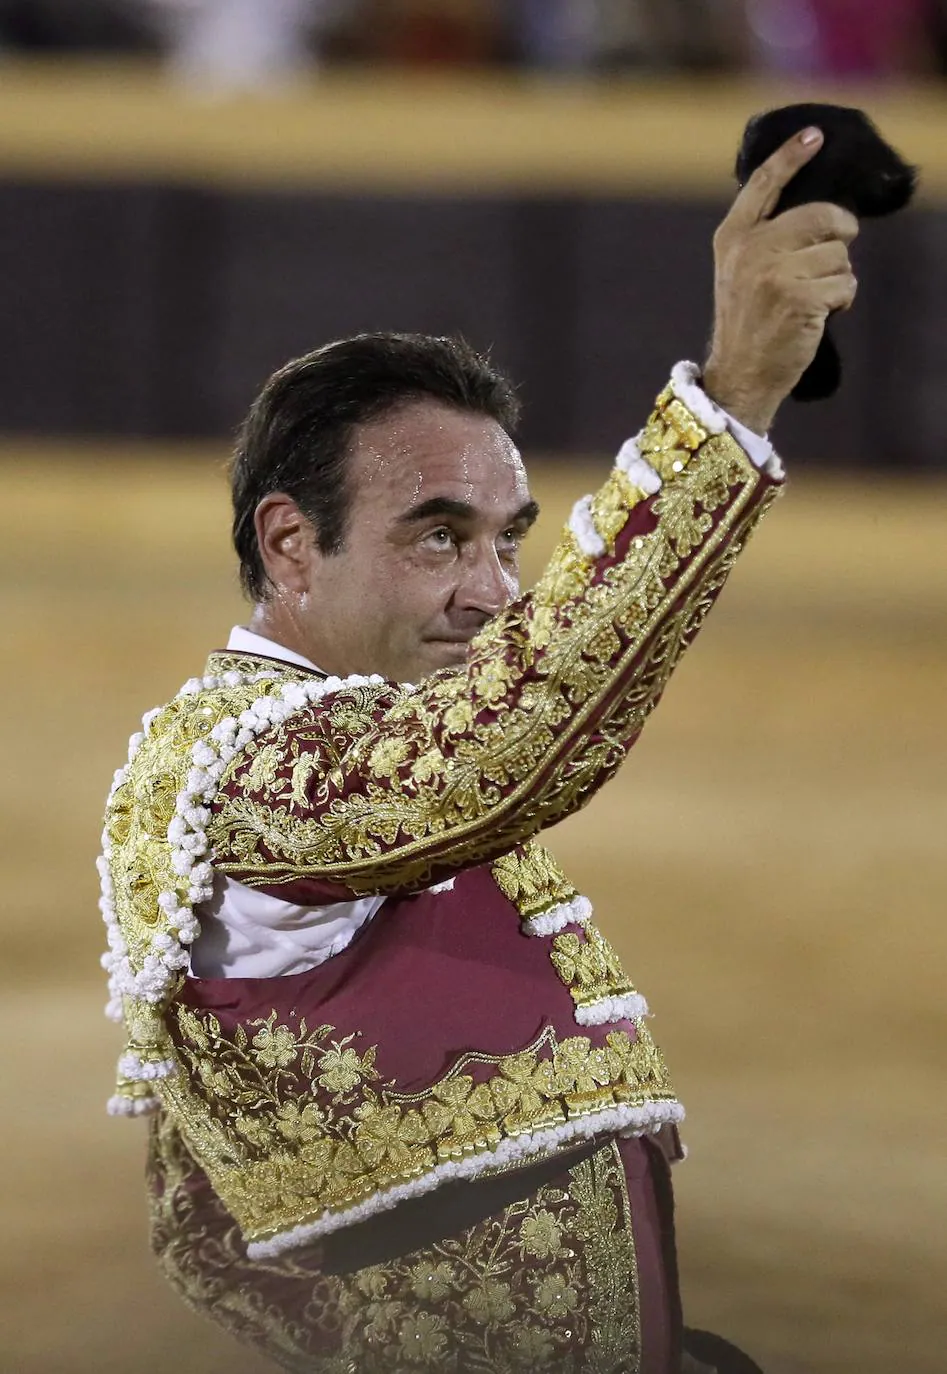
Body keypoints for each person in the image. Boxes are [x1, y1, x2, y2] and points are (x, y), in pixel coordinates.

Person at [98, 127, 857, 1373]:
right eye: (439, 537)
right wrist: (729, 402)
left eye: (509, 540)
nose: (494, 592)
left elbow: (205, 1228)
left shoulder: (262, 771)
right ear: (290, 545)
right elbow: (512, 738)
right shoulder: (245, 769)